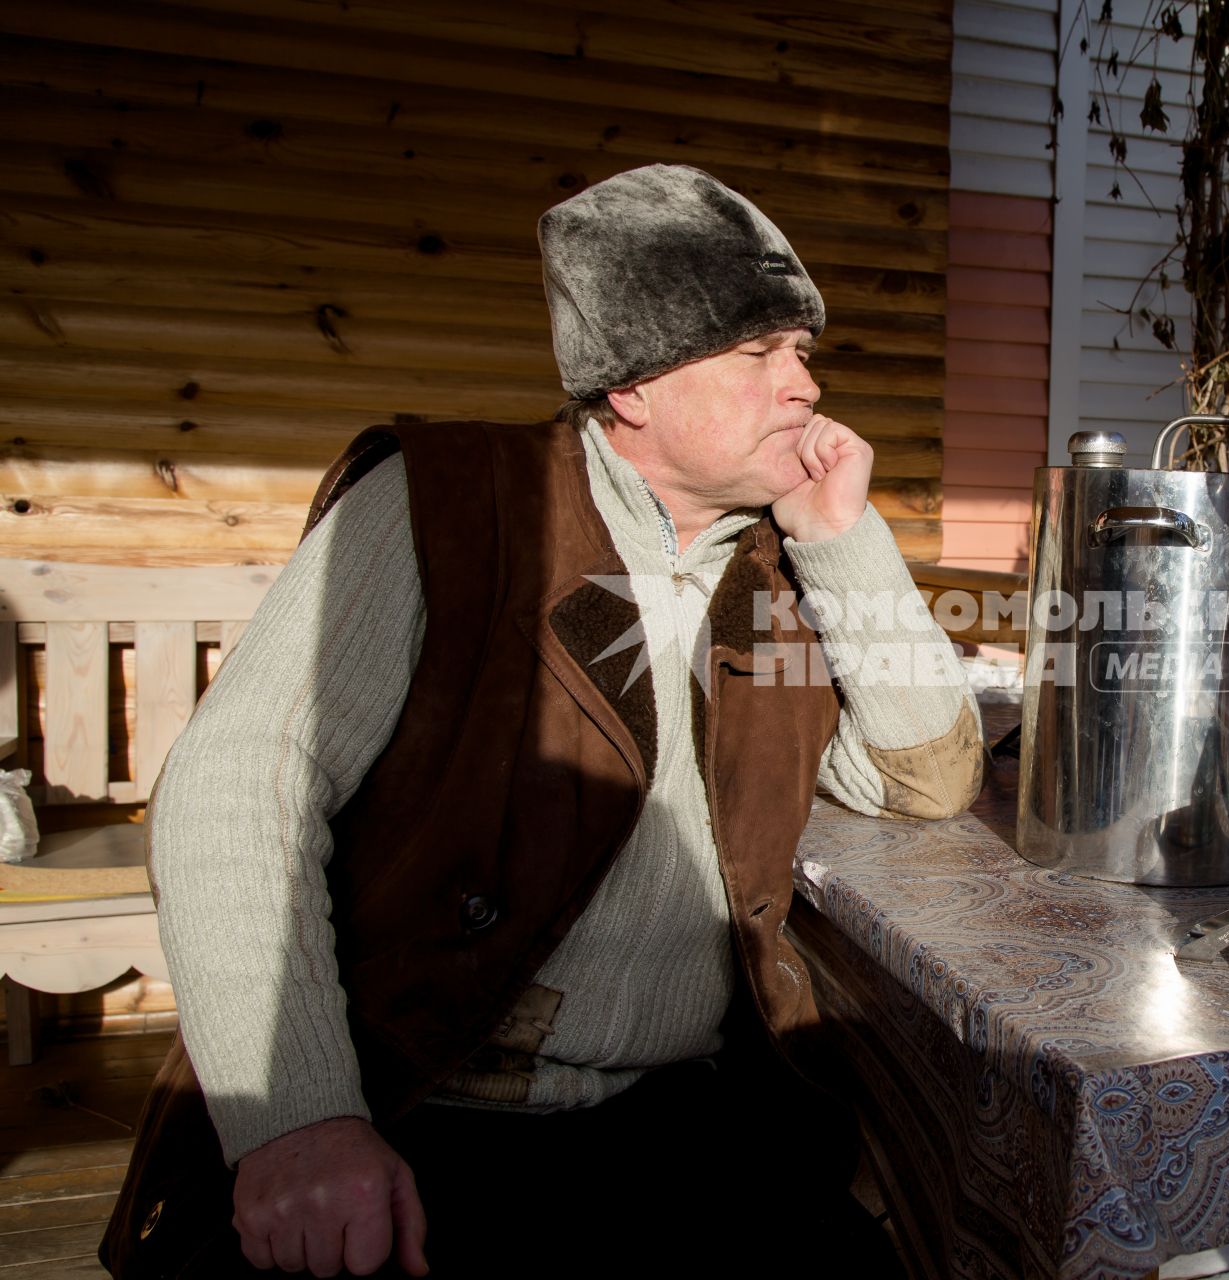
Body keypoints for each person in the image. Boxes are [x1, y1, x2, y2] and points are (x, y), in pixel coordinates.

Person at [101, 165, 983, 1278]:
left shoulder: (776, 570)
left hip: (683, 1121)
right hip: (427, 1106)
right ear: (633, 388)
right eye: (761, 353)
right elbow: (237, 779)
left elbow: (924, 773)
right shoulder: (452, 503)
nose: (803, 385)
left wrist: (838, 534)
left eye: (804, 354)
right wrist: (299, 1117)